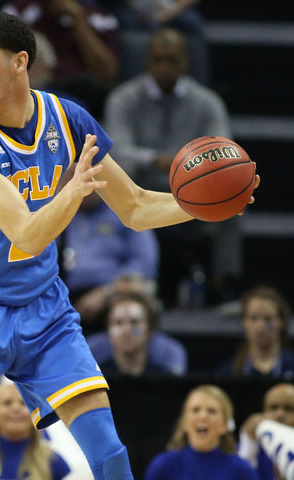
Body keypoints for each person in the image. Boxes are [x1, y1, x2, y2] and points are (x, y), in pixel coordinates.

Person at [0, 12, 260, 480]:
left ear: (20, 62)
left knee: (109, 454)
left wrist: (204, 205)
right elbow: (27, 234)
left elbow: (135, 207)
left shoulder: (68, 118)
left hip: (43, 310)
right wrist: (74, 190)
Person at [103, 27, 237, 305]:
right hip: (141, 187)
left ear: (186, 62)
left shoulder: (207, 102)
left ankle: (222, 286)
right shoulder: (123, 99)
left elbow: (224, 151)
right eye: (158, 60)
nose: (164, 67)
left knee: (234, 195)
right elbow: (116, 149)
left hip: (193, 191)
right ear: (147, 62)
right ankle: (123, 284)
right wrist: (154, 159)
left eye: (172, 60)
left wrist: (186, 164)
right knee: (114, 176)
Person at [145, 385, 257, 480]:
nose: (203, 416)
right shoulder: (163, 466)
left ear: (225, 425)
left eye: (212, 411)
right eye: (195, 410)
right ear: (184, 422)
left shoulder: (242, 470)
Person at [0, 378, 71, 479]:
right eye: (7, 403)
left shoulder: (53, 460)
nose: (16, 408)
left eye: (23, 403)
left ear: (35, 415)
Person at [215, 287, 294, 380]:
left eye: (268, 319)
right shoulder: (227, 373)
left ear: (281, 322)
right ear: (243, 322)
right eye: (253, 318)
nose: (260, 327)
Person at [91, 290, 187, 376]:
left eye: (134, 322)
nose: (126, 330)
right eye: (118, 323)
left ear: (150, 329)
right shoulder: (96, 379)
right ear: (108, 331)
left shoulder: (163, 377)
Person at [238, 383, 294, 480]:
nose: (280, 414)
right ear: (264, 412)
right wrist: (249, 442)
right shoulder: (245, 449)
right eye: (274, 407)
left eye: (289, 408)